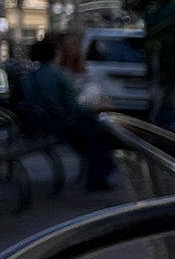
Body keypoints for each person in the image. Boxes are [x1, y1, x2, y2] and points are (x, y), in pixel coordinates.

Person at [17, 34, 118, 192]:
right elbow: (72, 106)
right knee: (97, 131)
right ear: (55, 53)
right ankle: (100, 176)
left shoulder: (29, 77)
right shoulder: (58, 75)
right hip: (59, 124)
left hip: (37, 125)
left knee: (92, 132)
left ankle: (99, 173)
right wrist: (96, 107)